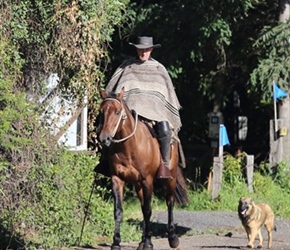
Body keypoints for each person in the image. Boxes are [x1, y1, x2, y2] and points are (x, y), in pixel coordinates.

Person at [98, 36, 182, 179]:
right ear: (136, 49)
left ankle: (164, 165)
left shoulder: (159, 69)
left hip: (155, 114)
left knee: (166, 131)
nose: (143, 53)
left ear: (151, 50)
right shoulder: (127, 67)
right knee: (107, 128)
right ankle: (105, 161)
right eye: (140, 49)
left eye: (146, 49)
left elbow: (164, 95)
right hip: (127, 114)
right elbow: (112, 94)